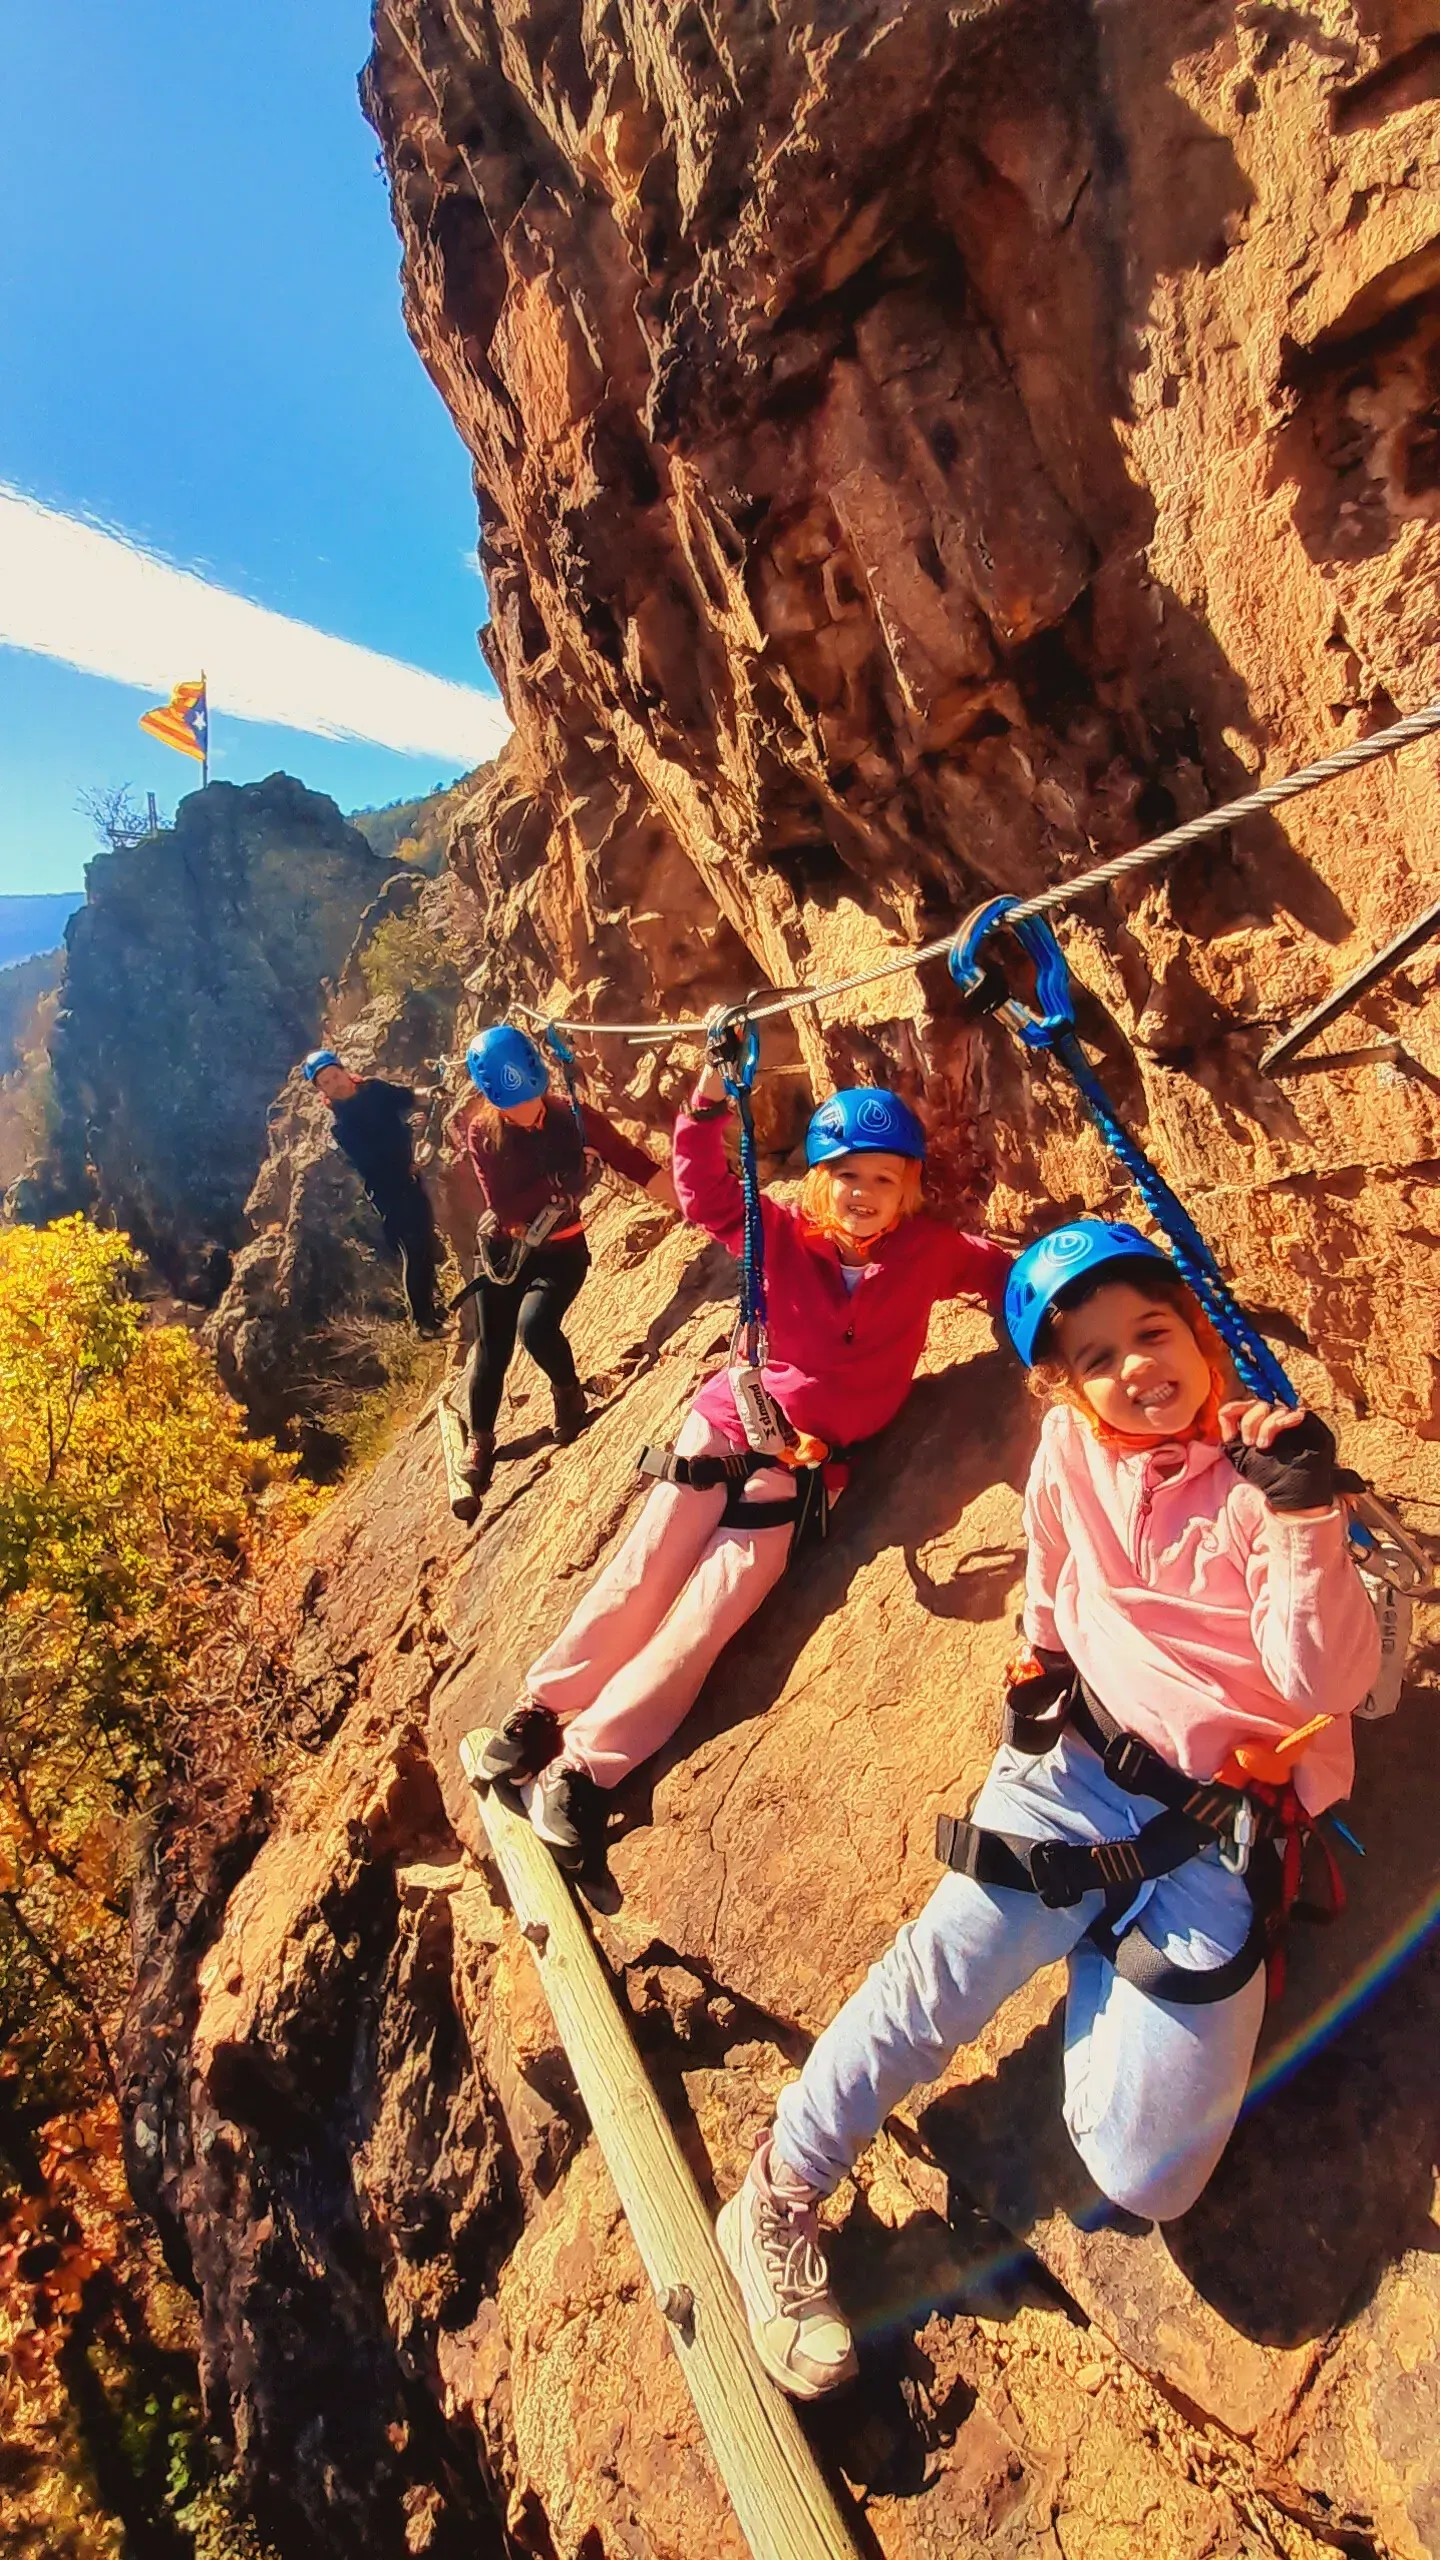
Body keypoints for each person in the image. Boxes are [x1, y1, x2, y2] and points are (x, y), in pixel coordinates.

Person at [713, 1217, 1381, 2400]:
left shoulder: (1266, 1486)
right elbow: (1053, 1561)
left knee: (1148, 2174)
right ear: (1061, 1386)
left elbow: (1323, 1683)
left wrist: (1308, 1518)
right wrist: (1036, 1667)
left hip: (1213, 1834)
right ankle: (779, 2187)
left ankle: (1092, 1946)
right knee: (941, 1977)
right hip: (1073, 1774)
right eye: (1099, 1357)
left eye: (1154, 1333)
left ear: (1200, 1331)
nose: (1137, 1368)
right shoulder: (1071, 1450)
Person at [475, 1055, 1011, 1869]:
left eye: (882, 1179)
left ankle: (587, 1766)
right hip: (731, 1425)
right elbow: (705, 1194)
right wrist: (711, 1097)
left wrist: (1095, 1283)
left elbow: (1005, 1272)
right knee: (648, 1564)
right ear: (820, 1184)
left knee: (709, 1613)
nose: (862, 1194)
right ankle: (543, 1709)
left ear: (910, 1189)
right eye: (845, 1177)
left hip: (804, 1465)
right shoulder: (780, 1235)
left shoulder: (930, 1254)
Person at [455, 1024, 676, 1494]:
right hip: (503, 1255)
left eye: (527, 1099)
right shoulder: (482, 1133)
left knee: (534, 1327)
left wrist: (700, 1207)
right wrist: (561, 1181)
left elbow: (635, 1164)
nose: (521, 1110)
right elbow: (505, 1205)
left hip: (560, 1252)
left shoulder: (576, 1119)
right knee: (491, 1352)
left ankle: (568, 1395)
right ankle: (481, 1441)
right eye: (510, 1105)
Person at [303, 1049, 444, 1335]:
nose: (335, 1083)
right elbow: (372, 1160)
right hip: (389, 1190)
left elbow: (404, 1096)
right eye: (326, 1083)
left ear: (343, 1070)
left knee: (426, 1244)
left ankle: (438, 1306)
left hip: (407, 1177)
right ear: (322, 1092)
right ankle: (424, 1323)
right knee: (415, 1249)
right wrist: (408, 1134)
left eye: (334, 1076)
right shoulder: (341, 1126)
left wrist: (432, 1093)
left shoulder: (373, 1089)